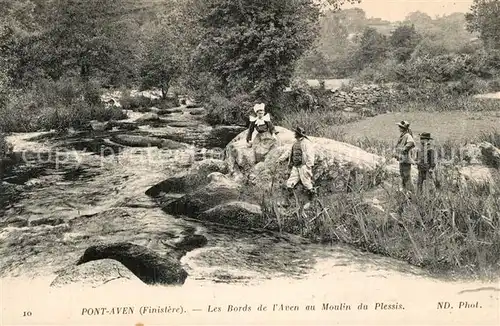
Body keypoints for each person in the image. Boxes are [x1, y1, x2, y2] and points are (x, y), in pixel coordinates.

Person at [286, 126, 316, 207]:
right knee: (290, 183)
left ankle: (312, 200)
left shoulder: (306, 143)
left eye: (295, 133)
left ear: (299, 134)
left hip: (303, 166)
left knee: (306, 183)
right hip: (296, 166)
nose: (294, 134)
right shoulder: (295, 143)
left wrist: (308, 166)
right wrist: (290, 163)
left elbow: (310, 155)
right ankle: (290, 201)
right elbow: (291, 154)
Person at [394, 120, 415, 193]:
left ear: (403, 128)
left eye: (400, 127)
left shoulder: (407, 135)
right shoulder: (403, 135)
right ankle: (405, 191)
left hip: (406, 159)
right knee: (402, 174)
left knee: (406, 176)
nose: (399, 128)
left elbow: (411, 143)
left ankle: (410, 192)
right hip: (402, 159)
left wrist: (404, 149)